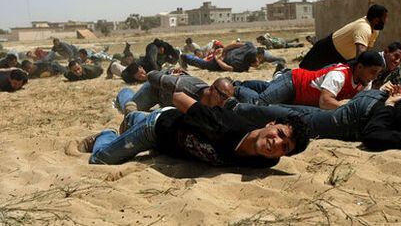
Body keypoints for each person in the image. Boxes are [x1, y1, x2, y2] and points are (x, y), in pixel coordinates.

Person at [71, 92, 309, 167]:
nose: (276, 143)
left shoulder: (267, 161)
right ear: (271, 125)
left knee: (134, 118)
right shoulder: (223, 124)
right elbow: (179, 97)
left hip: (170, 145)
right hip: (157, 129)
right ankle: (107, 134)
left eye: (284, 147)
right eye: (280, 134)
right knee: (100, 160)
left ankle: (131, 110)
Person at [233, 87, 401, 151]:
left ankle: (237, 95)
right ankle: (236, 102)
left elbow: (375, 135)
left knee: (294, 118)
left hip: (364, 109)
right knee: (295, 121)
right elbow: (374, 135)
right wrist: (395, 99)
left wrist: (390, 104)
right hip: (367, 107)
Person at [235, 51, 384, 109]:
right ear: (359, 67)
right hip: (293, 83)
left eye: (377, 73)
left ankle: (241, 84)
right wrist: (344, 107)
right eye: (372, 72)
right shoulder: (339, 75)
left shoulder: (366, 82)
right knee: (260, 105)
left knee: (267, 88)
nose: (375, 77)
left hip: (298, 98)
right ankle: (237, 89)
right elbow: (325, 101)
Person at [299, 4, 388, 70]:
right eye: (384, 19)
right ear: (376, 20)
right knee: (304, 75)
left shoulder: (375, 30)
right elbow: (361, 54)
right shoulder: (363, 28)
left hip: (341, 58)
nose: (386, 21)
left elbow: (367, 50)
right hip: (326, 50)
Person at [115, 70, 234, 113]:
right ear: (212, 89)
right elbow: (151, 75)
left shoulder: (213, 102)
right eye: (222, 96)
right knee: (130, 108)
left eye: (227, 99)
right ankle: (123, 93)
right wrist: (168, 73)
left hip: (166, 102)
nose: (224, 102)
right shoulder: (182, 86)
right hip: (154, 91)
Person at [180, 42, 264, 72]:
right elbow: (227, 68)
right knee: (203, 64)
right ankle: (185, 57)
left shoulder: (250, 47)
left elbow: (234, 45)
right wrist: (217, 59)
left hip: (223, 54)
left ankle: (186, 57)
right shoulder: (242, 66)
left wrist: (224, 50)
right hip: (219, 62)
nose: (258, 64)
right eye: (256, 62)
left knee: (204, 62)